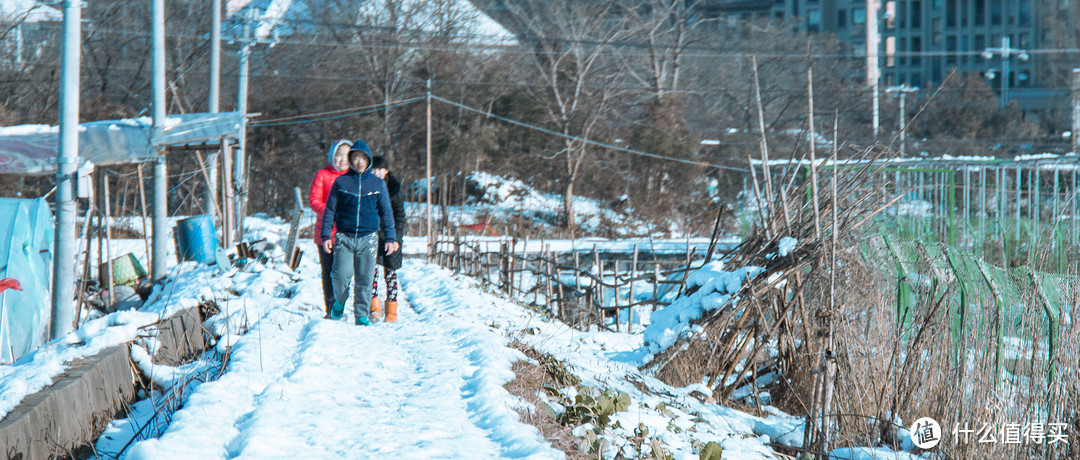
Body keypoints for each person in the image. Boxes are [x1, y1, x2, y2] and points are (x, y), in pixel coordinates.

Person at [320, 139, 399, 325]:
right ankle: (339, 300)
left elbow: (386, 212)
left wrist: (390, 237)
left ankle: (361, 314)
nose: (359, 162)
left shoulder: (378, 184)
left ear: (369, 160)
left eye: (363, 158)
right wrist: (325, 236)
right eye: (355, 158)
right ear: (350, 160)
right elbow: (330, 210)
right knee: (340, 274)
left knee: (365, 278)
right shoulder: (341, 182)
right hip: (344, 237)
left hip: (369, 237)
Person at [309, 139, 352, 318]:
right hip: (325, 232)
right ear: (332, 156)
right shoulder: (322, 174)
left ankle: (341, 305)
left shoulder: (353, 176)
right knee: (328, 272)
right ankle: (331, 309)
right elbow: (314, 200)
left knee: (344, 272)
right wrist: (331, 210)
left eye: (347, 156)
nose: (343, 159)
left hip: (347, 232)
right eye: (339, 155)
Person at [368, 156, 406, 322]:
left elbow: (400, 216)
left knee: (390, 272)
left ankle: (392, 309)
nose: (377, 173)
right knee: (371, 272)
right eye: (373, 170)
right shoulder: (367, 186)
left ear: (386, 171)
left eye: (380, 170)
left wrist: (397, 238)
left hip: (392, 236)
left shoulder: (395, 189)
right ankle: (374, 308)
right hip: (373, 235)